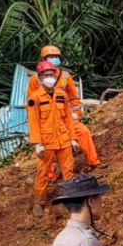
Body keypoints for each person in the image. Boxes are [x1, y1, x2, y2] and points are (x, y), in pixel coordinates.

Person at [40, 44, 102, 172]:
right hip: (47, 121)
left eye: (56, 56)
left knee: (83, 132)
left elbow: (74, 98)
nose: (54, 59)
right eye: (51, 56)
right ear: (44, 59)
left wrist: (77, 112)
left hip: (66, 117)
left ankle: (94, 162)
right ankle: (49, 176)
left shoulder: (65, 76)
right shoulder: (37, 79)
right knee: (48, 147)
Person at [27, 60, 76, 217]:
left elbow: (68, 118)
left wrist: (72, 138)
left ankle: (70, 199)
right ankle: (38, 202)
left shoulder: (62, 95)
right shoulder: (35, 98)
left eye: (51, 75)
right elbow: (33, 121)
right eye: (46, 75)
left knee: (68, 170)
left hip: (63, 139)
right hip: (46, 142)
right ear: (40, 78)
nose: (49, 77)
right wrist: (37, 143)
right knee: (42, 172)